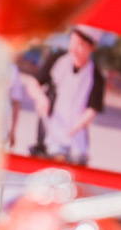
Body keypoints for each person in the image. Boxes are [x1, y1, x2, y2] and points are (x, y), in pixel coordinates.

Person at [21, 28, 105, 166]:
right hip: (48, 133)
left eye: (81, 45)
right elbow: (33, 84)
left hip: (76, 141)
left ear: (92, 48)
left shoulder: (96, 75)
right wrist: (40, 98)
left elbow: (91, 110)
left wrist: (74, 129)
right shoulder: (57, 60)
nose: (75, 49)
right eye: (73, 42)